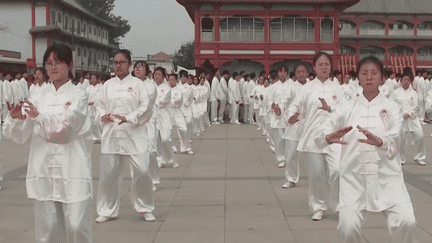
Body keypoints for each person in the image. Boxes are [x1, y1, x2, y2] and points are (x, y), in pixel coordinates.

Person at [317, 56, 418, 243]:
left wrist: (380, 142)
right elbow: (328, 122)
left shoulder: (392, 108)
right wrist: (327, 136)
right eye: (364, 73)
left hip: (388, 177)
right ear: (359, 78)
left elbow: (396, 136)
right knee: (347, 229)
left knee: (407, 222)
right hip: (354, 178)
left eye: (374, 73)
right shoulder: (346, 106)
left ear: (382, 78)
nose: (369, 77)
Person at [3, 44, 93, 242]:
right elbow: (20, 134)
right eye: (49, 63)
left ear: (69, 65)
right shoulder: (38, 95)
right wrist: (17, 119)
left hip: (72, 165)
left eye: (58, 63)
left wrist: (39, 117)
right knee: (49, 228)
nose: (52, 68)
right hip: (43, 166)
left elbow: (66, 130)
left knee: (76, 225)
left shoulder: (78, 95)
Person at [95, 49, 155, 223]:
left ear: (129, 63)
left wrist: (129, 118)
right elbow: (98, 104)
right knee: (108, 174)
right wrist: (102, 115)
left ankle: (145, 207)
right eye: (115, 62)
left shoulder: (138, 85)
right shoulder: (107, 85)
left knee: (143, 170)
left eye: (122, 62)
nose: (118, 65)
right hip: (111, 133)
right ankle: (107, 209)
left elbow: (146, 107)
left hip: (134, 133)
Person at [287, 52, 343, 221]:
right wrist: (290, 117)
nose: (324, 67)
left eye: (327, 64)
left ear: (331, 67)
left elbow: (345, 109)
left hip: (334, 137)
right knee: (317, 174)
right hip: (313, 138)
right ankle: (319, 207)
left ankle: (339, 206)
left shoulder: (338, 88)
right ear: (314, 67)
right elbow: (294, 106)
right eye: (320, 64)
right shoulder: (307, 88)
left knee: (337, 172)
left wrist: (331, 110)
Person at [133, 61, 160, 192]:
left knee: (150, 151)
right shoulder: (130, 84)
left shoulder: (150, 86)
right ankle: (137, 181)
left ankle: (154, 179)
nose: (137, 69)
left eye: (141, 67)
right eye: (136, 67)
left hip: (148, 121)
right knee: (135, 152)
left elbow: (146, 103)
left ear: (147, 71)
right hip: (133, 122)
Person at [282, 62, 309, 188]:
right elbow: (284, 101)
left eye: (303, 71)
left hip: (310, 124)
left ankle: (322, 177)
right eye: (298, 72)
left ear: (307, 73)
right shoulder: (291, 87)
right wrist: (288, 118)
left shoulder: (312, 86)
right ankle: (291, 178)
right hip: (294, 123)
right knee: (291, 153)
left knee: (318, 152)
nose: (301, 74)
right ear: (295, 74)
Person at [392, 69, 426, 166]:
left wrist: (410, 114)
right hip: (401, 119)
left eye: (408, 80)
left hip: (412, 119)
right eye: (404, 79)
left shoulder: (414, 93)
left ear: (410, 81)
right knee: (401, 140)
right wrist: (401, 114)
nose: (406, 82)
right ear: (401, 80)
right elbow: (393, 105)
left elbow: (417, 106)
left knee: (420, 136)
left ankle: (419, 157)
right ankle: (401, 158)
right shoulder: (396, 93)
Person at [268, 66, 291, 168]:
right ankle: (281, 158)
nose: (282, 73)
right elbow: (268, 100)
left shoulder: (291, 86)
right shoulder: (273, 87)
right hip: (276, 115)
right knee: (279, 139)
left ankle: (289, 158)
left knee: (288, 139)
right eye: (280, 71)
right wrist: (273, 106)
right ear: (277, 73)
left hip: (288, 115)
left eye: (284, 71)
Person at [154, 67, 176, 168]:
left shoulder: (167, 89)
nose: (156, 76)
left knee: (165, 139)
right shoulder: (150, 87)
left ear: (163, 76)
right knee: (156, 140)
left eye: (159, 74)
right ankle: (160, 159)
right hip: (153, 116)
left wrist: (152, 101)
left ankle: (171, 159)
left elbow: (162, 102)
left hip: (164, 115)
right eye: (155, 74)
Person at [169, 73, 193, 156]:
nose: (171, 81)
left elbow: (179, 100)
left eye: (172, 80)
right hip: (168, 112)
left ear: (176, 80)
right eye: (169, 80)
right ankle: (171, 147)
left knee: (183, 129)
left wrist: (172, 102)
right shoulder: (166, 89)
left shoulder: (179, 90)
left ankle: (186, 148)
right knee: (168, 131)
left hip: (177, 111)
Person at [86, 73, 102, 142]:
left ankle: (100, 137)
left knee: (98, 122)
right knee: (91, 123)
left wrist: (94, 102)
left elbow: (101, 98)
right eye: (91, 78)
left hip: (97, 108)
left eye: (94, 78)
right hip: (90, 108)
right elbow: (86, 97)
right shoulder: (88, 88)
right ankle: (93, 136)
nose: (92, 80)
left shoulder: (101, 88)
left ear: (97, 79)